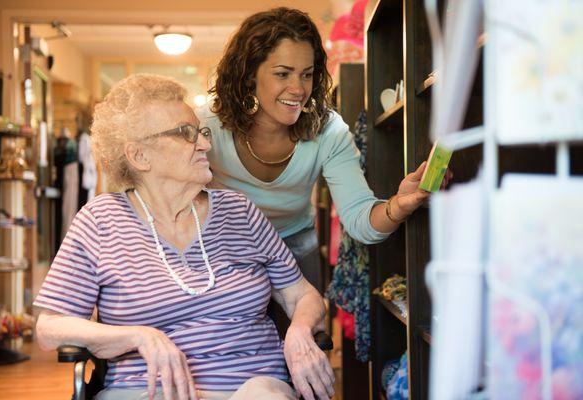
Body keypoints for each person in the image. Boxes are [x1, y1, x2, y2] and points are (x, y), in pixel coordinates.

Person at [34, 74, 334, 400]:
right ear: (138, 156)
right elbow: (50, 328)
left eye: (201, 132)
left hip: (253, 387)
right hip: (148, 391)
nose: (205, 143)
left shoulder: (240, 212)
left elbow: (302, 296)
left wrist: (300, 331)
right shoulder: (100, 221)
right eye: (185, 134)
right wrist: (138, 336)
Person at [198, 7, 450, 294]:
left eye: (306, 75)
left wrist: (399, 204)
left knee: (305, 334)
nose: (298, 88)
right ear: (249, 75)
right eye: (283, 74)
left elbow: (360, 221)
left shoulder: (328, 130)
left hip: (295, 249)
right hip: (225, 251)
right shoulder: (206, 127)